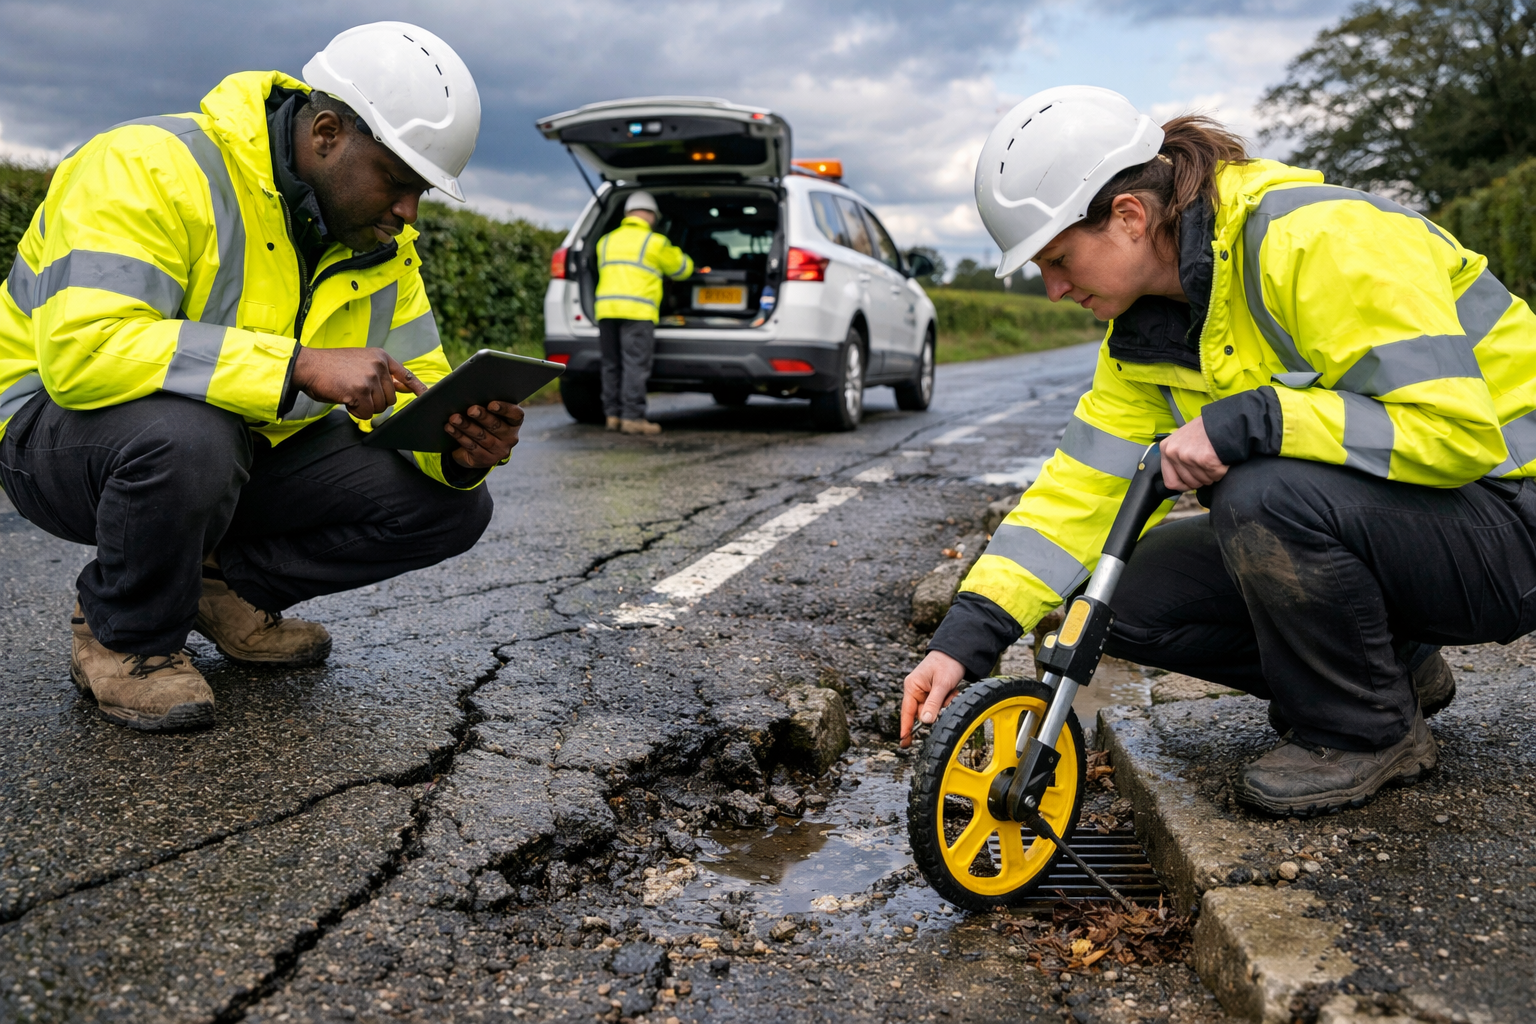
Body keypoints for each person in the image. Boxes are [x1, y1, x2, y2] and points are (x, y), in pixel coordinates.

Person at [900, 85, 1536, 817]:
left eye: (1058, 259)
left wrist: (1258, 419)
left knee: (1260, 493)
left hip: (1511, 517)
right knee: (1113, 599)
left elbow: (1455, 431)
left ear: (1129, 217)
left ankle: (1362, 730)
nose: (1052, 289)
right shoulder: (1146, 337)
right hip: (1417, 528)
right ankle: (1390, 673)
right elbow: (1081, 493)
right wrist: (968, 636)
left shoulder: (1320, 240)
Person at [0, 23, 524, 733]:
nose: (408, 213)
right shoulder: (147, 163)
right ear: (328, 134)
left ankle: (218, 588)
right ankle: (125, 635)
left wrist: (456, 444)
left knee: (453, 506)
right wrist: (297, 364)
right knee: (191, 437)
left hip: (234, 451)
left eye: (422, 192)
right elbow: (84, 349)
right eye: (399, 182)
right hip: (50, 433)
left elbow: (419, 384)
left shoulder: (380, 249)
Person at [594, 191, 694, 435]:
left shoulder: (605, 241)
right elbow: (682, 269)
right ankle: (633, 418)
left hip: (606, 310)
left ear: (627, 214)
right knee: (635, 365)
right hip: (637, 312)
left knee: (611, 364)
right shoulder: (655, 242)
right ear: (652, 216)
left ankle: (612, 416)